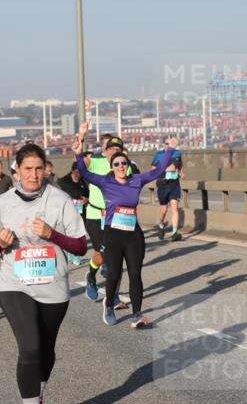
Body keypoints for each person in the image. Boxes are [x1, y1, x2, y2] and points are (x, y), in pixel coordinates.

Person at [0, 143, 87, 404]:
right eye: (27, 169)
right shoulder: (4, 202)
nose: (33, 174)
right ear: (16, 170)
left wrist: (52, 235)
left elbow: (80, 246)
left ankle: (38, 393)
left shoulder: (60, 200)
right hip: (15, 283)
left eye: (38, 168)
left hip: (53, 285)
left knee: (46, 350)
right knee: (29, 347)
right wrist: (0, 245)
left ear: (46, 169)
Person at [74, 121, 176, 328]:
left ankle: (136, 314)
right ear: (111, 167)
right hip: (113, 234)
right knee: (113, 274)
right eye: (117, 164)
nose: (120, 166)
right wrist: (78, 152)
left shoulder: (136, 180)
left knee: (135, 274)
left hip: (133, 235)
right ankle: (109, 304)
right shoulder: (105, 182)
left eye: (124, 163)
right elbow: (84, 173)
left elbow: (158, 171)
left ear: (128, 165)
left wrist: (170, 150)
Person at [80, 135, 133, 307]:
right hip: (96, 215)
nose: (114, 152)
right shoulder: (96, 162)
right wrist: (80, 139)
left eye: (118, 149)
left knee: (117, 258)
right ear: (106, 150)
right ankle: (91, 275)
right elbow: (81, 161)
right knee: (101, 255)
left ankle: (114, 296)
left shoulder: (125, 167)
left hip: (117, 216)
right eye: (111, 149)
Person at [152, 139, 185, 242]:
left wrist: (181, 172)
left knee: (175, 207)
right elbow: (153, 168)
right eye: (166, 144)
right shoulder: (159, 155)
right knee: (164, 209)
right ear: (163, 144)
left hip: (174, 183)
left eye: (170, 143)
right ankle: (161, 224)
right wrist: (162, 171)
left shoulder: (177, 153)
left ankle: (174, 233)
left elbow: (180, 164)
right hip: (163, 184)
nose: (168, 145)